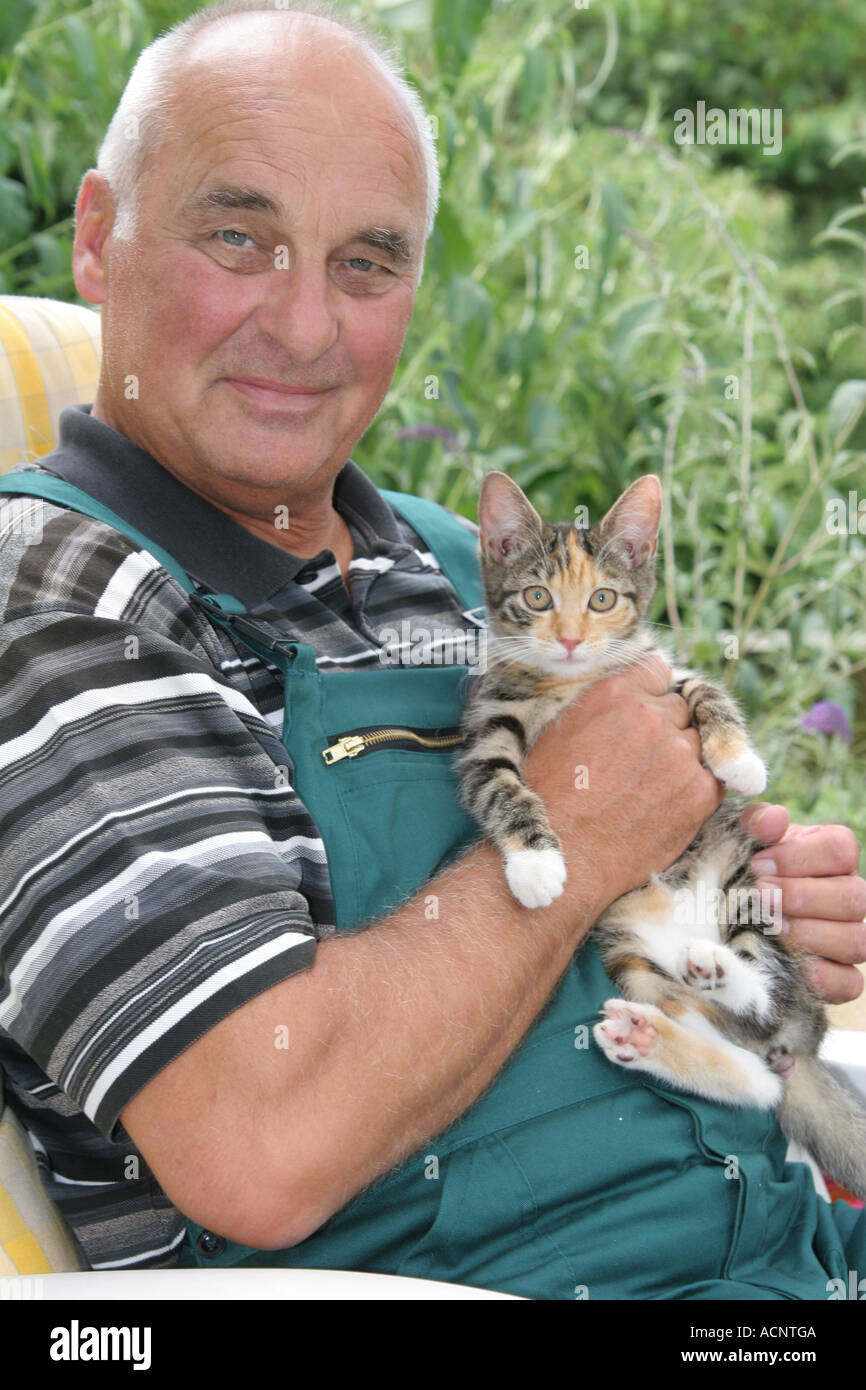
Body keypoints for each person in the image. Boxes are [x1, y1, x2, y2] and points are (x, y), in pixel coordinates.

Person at [0, 0, 864, 1298]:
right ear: (99, 238)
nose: (303, 326)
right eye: (240, 236)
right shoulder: (62, 598)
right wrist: (577, 832)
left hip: (784, 1242)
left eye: (366, 262)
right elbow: (261, 1147)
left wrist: (749, 909)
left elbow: (637, 876)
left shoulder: (456, 560)